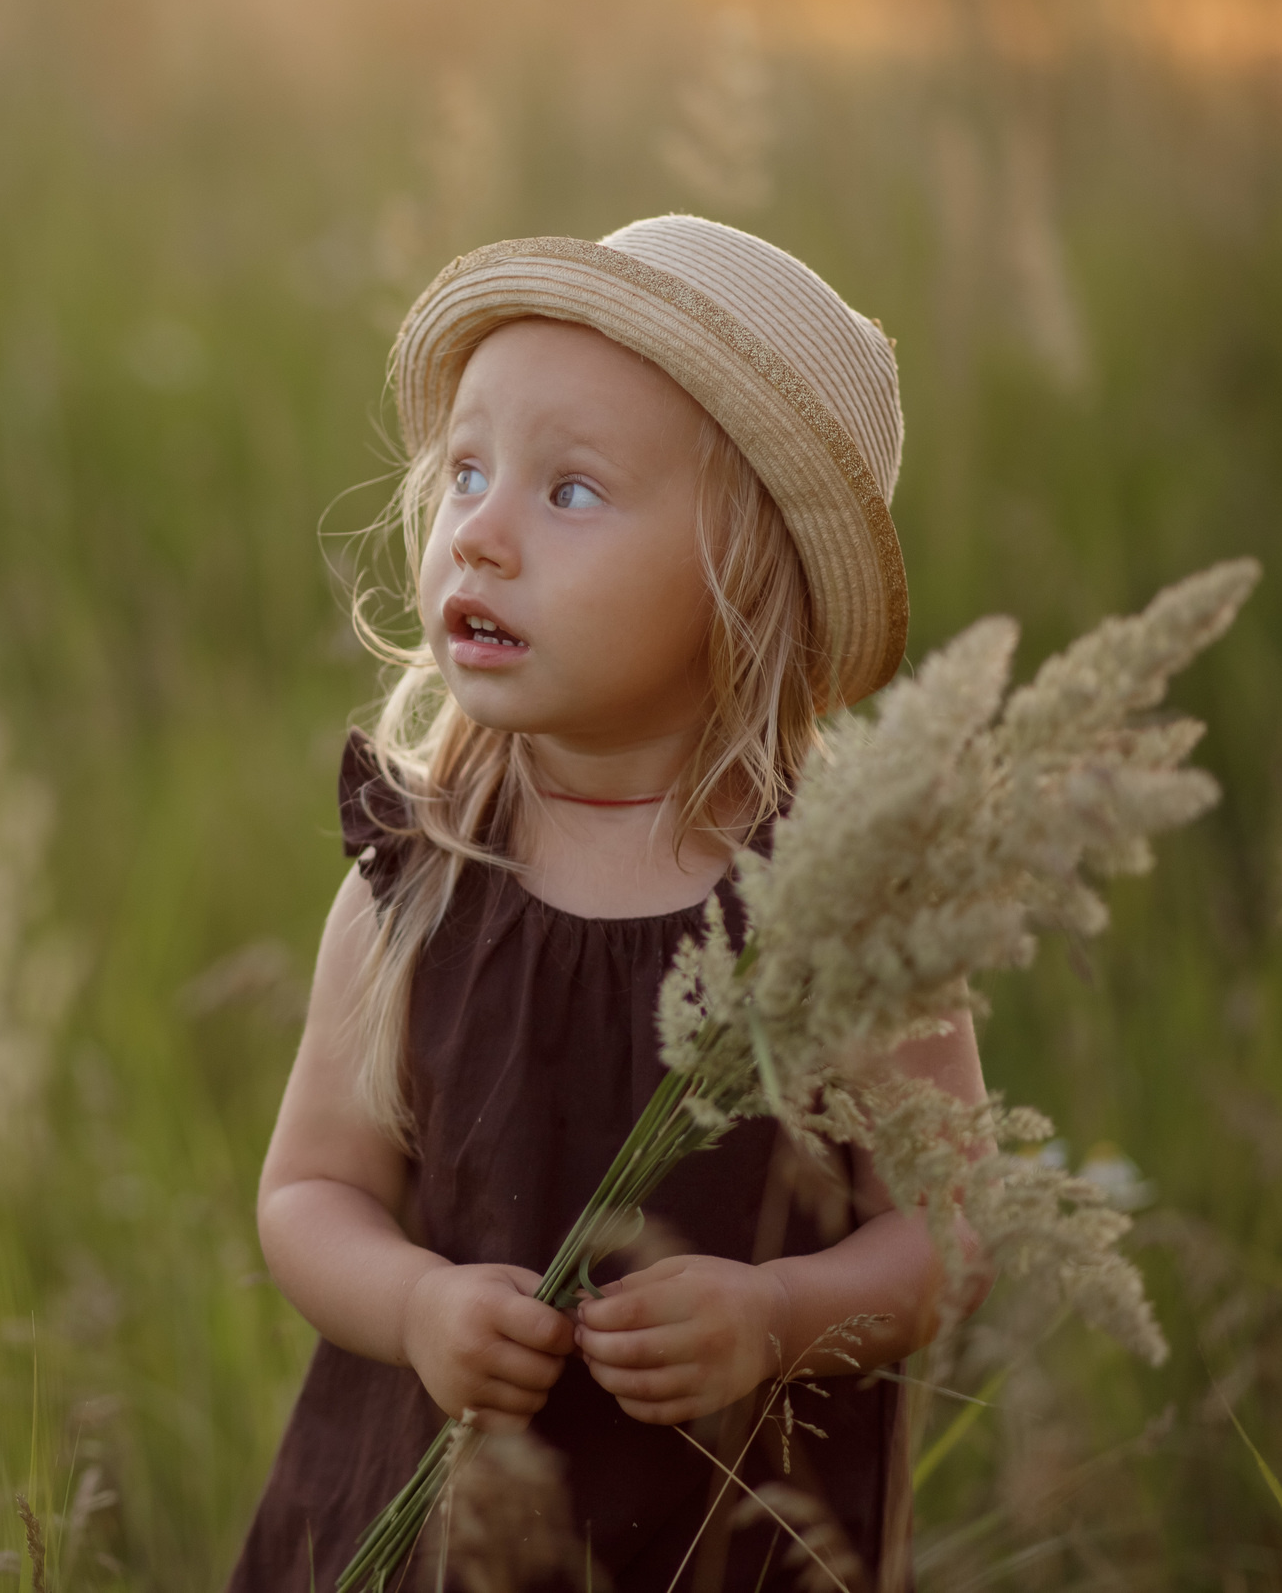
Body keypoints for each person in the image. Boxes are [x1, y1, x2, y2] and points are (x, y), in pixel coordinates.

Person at [228, 218, 988, 1593]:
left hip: (726, 1543)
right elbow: (308, 1193)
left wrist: (778, 1314)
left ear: (744, 577)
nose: (480, 534)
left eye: (570, 492)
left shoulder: (846, 903)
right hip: (435, 1533)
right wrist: (415, 1306)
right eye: (467, 473)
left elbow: (949, 1234)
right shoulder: (420, 867)